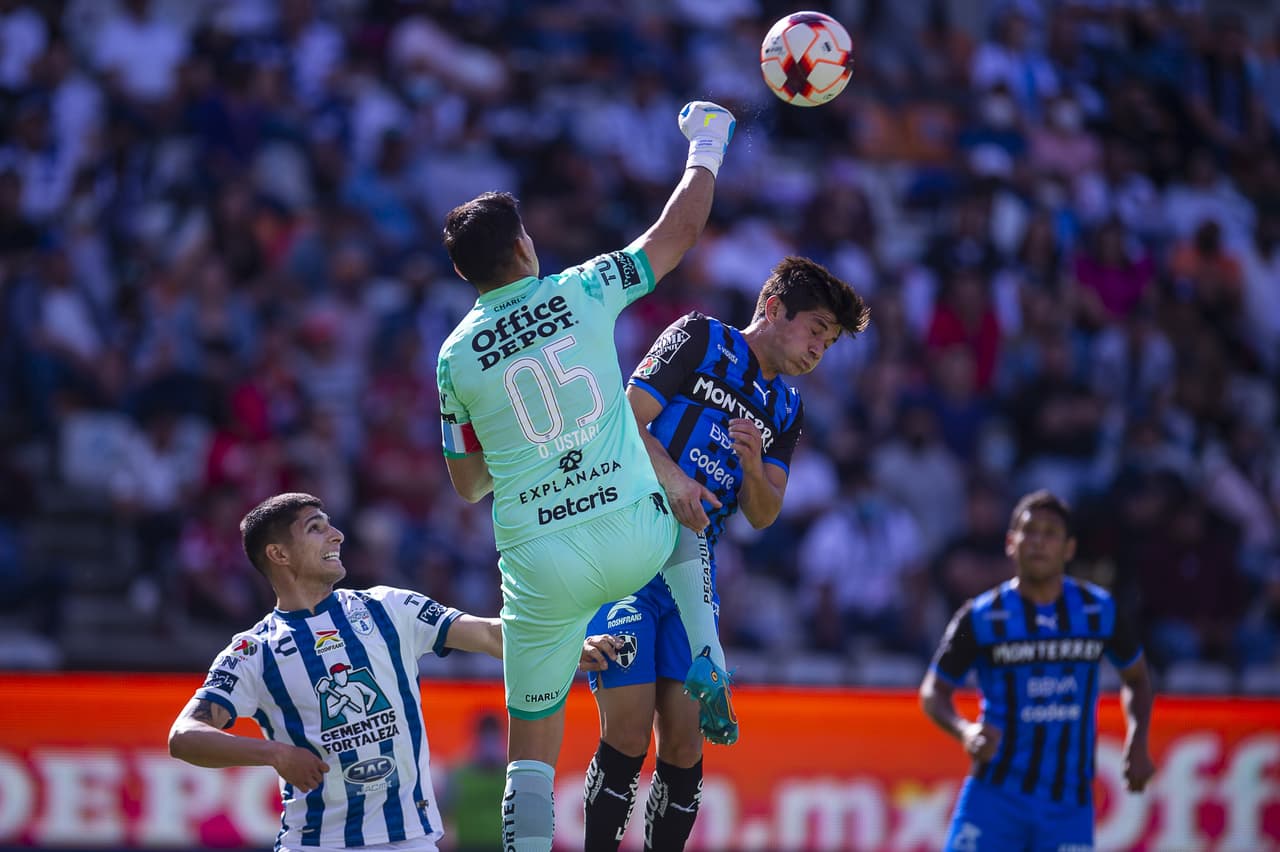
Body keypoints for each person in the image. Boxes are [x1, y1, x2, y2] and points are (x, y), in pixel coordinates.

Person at [435, 100, 736, 852]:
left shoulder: (455, 357)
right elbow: (676, 234)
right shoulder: (582, 288)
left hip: (542, 567)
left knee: (530, 758)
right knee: (680, 503)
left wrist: (517, 458)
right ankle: (708, 652)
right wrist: (706, 145)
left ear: (467, 274)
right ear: (524, 245)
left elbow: (467, 484)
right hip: (634, 537)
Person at [582, 256, 870, 851]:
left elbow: (764, 513)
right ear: (774, 309)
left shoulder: (786, 408)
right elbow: (623, 422)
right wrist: (675, 481)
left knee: (685, 743)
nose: (819, 349)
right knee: (628, 735)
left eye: (829, 342)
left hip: (693, 574)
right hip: (627, 553)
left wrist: (752, 467)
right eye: (816, 329)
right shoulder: (699, 337)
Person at [167, 492, 620, 852]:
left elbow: (487, 634)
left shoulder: (388, 607)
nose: (337, 535)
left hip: (411, 840)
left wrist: (565, 647)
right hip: (315, 843)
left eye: (330, 524)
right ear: (278, 554)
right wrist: (275, 755)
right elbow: (184, 736)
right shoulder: (254, 651)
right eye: (316, 528)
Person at [919, 489, 1156, 851]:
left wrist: (1137, 741)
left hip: (1068, 803)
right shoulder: (979, 616)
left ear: (1069, 549)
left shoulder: (1099, 611)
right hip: (995, 796)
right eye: (1029, 532)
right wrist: (965, 730)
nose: (1039, 542)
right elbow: (933, 692)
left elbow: (1137, 679)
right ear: (1010, 543)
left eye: (1050, 534)